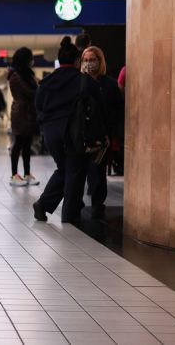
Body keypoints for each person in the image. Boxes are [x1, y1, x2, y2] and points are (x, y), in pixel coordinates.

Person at [32, 40, 105, 224]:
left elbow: (38, 106)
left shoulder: (46, 81)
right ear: (77, 61)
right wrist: (98, 137)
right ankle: (69, 217)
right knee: (74, 172)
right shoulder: (85, 81)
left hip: (50, 134)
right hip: (73, 133)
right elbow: (97, 111)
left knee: (65, 169)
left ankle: (43, 204)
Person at [81, 46, 123, 218]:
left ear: (100, 61)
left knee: (98, 173)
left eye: (93, 60)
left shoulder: (110, 84)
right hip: (81, 136)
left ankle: (98, 206)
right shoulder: (79, 82)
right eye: (86, 60)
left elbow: (117, 110)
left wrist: (110, 133)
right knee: (79, 171)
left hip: (102, 137)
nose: (90, 63)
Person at [8, 47, 40, 187]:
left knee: (27, 144)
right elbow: (27, 92)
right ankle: (14, 174)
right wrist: (40, 90)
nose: (32, 61)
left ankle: (27, 174)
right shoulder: (15, 75)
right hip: (20, 112)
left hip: (29, 112)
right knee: (18, 143)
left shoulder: (27, 74)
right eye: (30, 58)